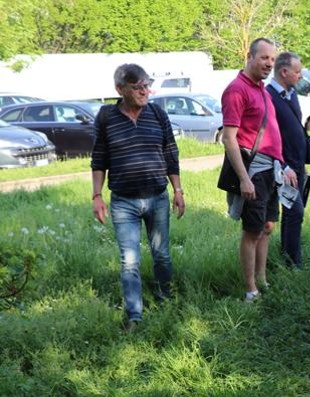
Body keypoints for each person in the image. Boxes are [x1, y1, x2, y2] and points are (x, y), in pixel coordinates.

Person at [91, 63, 185, 332]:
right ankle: (135, 315)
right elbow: (98, 159)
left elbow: (171, 153)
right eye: (138, 87)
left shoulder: (157, 113)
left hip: (157, 198)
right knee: (129, 261)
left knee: (162, 256)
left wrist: (177, 190)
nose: (145, 90)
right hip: (123, 202)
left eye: (147, 84)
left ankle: (165, 299)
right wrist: (97, 195)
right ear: (120, 89)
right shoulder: (106, 117)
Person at [220, 38, 297, 302]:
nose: (269, 63)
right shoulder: (236, 90)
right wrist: (244, 179)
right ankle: (250, 289)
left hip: (272, 170)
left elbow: (272, 135)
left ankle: (262, 280)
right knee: (252, 231)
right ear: (250, 56)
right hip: (254, 172)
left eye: (272, 59)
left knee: (266, 226)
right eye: (264, 58)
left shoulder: (263, 90)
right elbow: (229, 139)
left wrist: (284, 166)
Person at [266, 51, 308, 270]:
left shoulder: (291, 94)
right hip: (283, 168)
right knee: (295, 211)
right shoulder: (269, 96)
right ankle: (293, 264)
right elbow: (269, 136)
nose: (300, 76)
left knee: (293, 212)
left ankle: (288, 255)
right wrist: (283, 166)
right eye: (297, 71)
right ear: (284, 72)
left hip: (298, 166)